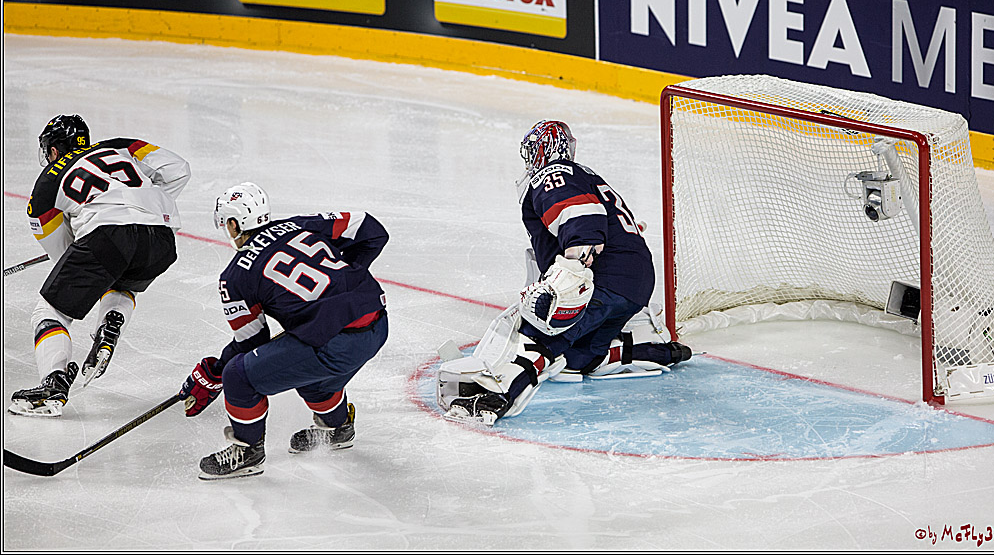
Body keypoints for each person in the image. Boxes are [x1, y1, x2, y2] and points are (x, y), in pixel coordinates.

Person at [439, 121, 690, 425]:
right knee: (576, 358)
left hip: (601, 280)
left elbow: (581, 219)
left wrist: (569, 276)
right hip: (634, 283)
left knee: (537, 338)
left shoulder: (553, 173)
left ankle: (494, 397)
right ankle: (654, 351)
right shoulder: (583, 174)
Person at [180, 182, 389, 480]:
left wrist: (215, 372)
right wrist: (346, 280)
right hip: (377, 323)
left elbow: (252, 342)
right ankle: (338, 428)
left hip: (334, 343)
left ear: (234, 224)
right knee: (313, 379)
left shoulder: (235, 276)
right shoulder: (300, 225)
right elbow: (372, 229)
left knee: (238, 376)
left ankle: (247, 453)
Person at [10, 114, 191, 417]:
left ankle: (53, 385)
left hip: (107, 237)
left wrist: (91, 237)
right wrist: (143, 204)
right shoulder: (119, 147)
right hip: (161, 240)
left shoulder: (47, 184)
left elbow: (62, 253)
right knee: (122, 279)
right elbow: (178, 170)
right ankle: (111, 322)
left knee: (50, 311)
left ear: (53, 149)